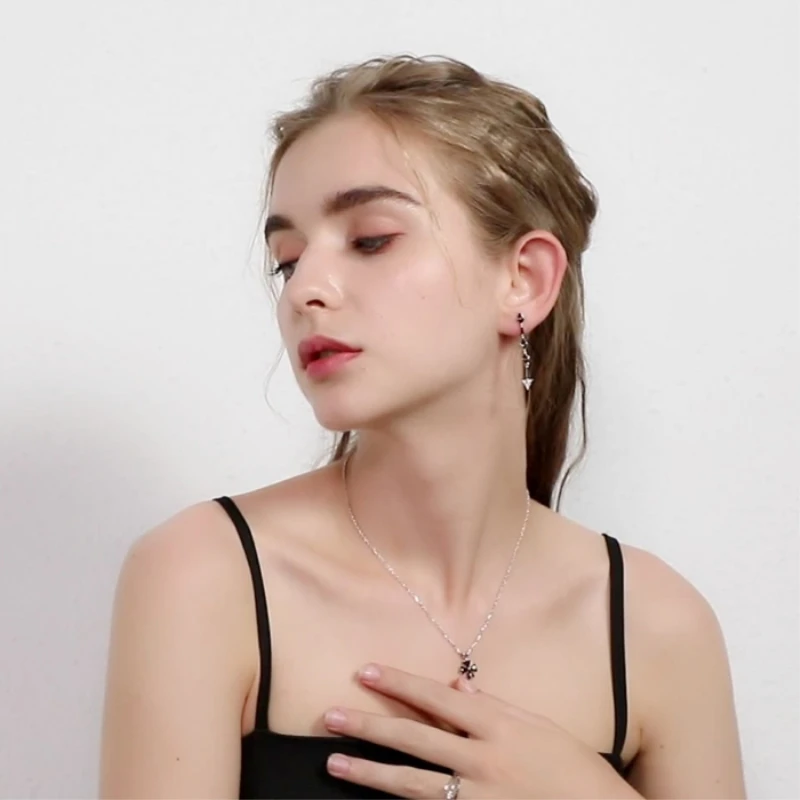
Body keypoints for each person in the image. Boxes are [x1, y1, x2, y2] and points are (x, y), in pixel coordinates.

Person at [98, 54, 746, 799]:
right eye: (287, 261)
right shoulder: (204, 577)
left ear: (524, 281)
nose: (305, 289)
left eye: (371, 239)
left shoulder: (659, 627)